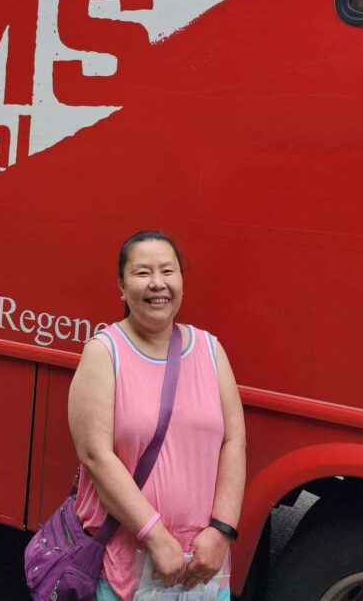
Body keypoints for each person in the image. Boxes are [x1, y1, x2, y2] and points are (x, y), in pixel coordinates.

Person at [68, 230, 246, 601]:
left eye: (168, 271)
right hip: (122, 564)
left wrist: (221, 531)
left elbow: (234, 442)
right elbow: (95, 456)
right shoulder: (103, 353)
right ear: (121, 285)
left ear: (181, 280)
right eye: (142, 273)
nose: (157, 284)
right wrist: (156, 537)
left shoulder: (210, 350)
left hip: (202, 564)